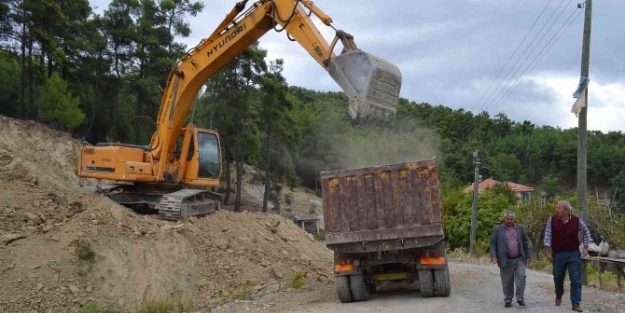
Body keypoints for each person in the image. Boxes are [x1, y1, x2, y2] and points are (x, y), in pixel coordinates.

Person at [543, 200, 592, 312]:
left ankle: (575, 303)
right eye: (557, 207)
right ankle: (559, 293)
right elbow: (547, 235)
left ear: (566, 211)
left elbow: (586, 233)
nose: (556, 210)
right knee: (558, 277)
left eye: (559, 208)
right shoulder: (552, 220)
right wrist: (548, 251)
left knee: (575, 279)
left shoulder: (577, 220)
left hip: (573, 253)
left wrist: (585, 247)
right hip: (558, 253)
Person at [490, 210, 532, 308]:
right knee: (507, 281)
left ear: (514, 219)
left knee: (521, 277)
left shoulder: (520, 228)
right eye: (507, 219)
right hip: (505, 259)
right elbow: (493, 244)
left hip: (519, 258)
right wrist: (494, 256)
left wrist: (529, 255)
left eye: (511, 219)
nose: (509, 221)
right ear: (504, 219)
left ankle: (520, 298)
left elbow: (525, 242)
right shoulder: (497, 229)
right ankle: (508, 299)